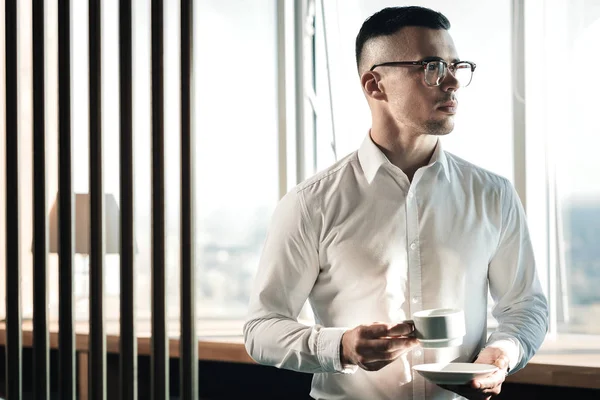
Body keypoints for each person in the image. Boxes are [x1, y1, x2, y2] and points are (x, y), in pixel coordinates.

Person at [243, 5, 549, 400]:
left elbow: (526, 306)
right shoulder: (311, 204)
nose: (453, 81)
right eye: (433, 66)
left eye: (457, 65)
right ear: (375, 85)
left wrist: (502, 355)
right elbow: (261, 328)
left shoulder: (493, 194)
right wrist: (341, 347)